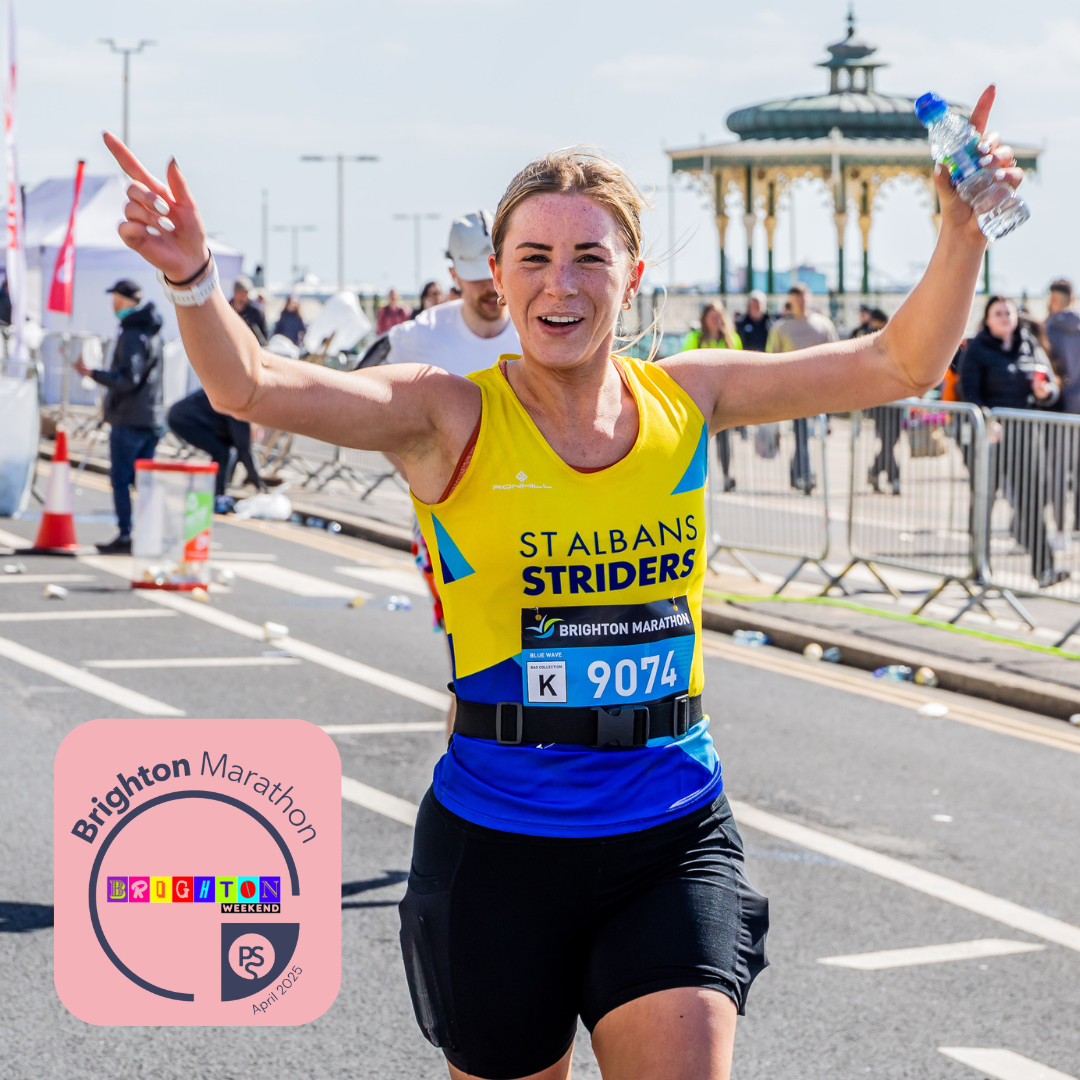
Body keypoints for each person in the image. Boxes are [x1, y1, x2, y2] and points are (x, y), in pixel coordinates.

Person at [104, 85, 1016, 1079]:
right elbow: (251, 387)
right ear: (497, 277)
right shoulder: (444, 415)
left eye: (590, 256)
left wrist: (962, 231)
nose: (561, 284)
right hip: (498, 846)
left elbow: (899, 361)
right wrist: (193, 279)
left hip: (672, 831)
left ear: (632, 273)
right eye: (534, 258)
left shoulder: (691, 394)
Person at [959, 294, 1064, 588]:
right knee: (984, 499)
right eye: (998, 313)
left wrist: (1046, 392)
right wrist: (988, 420)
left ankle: (1044, 569)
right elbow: (970, 392)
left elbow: (1051, 385)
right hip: (989, 436)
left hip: (1024, 435)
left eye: (1009, 312)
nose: (1005, 317)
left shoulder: (1029, 344)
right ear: (988, 319)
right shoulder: (977, 348)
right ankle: (979, 566)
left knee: (1032, 501)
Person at [73, 279, 164, 555]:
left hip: (130, 419)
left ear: (124, 300)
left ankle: (126, 534)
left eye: (115, 298)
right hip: (151, 418)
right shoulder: (153, 331)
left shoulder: (132, 333)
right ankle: (148, 534)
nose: (113, 304)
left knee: (122, 479)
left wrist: (93, 374)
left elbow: (128, 379)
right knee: (144, 481)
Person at [385, 211, 520, 374]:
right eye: (477, 278)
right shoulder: (421, 335)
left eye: (498, 274)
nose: (492, 287)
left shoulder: (538, 332)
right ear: (454, 274)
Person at [766, 282, 839, 494]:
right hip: (793, 391)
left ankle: (798, 472)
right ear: (790, 301)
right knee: (801, 435)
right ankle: (806, 475)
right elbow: (772, 359)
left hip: (819, 389)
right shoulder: (780, 328)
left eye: (803, 296)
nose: (800, 301)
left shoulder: (823, 325)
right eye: (796, 298)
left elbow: (834, 356)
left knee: (806, 435)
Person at [167, 389, 266, 511]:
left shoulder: (240, 399)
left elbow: (241, 449)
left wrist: (255, 480)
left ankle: (218, 493)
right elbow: (243, 450)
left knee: (223, 450)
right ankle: (217, 496)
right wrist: (260, 487)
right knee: (221, 452)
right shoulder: (239, 405)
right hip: (182, 418)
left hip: (186, 415)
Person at [683, 302, 742, 491]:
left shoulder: (732, 339)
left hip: (725, 399)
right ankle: (698, 479)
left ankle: (726, 474)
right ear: (705, 319)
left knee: (725, 441)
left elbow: (739, 366)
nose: (716, 321)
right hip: (700, 399)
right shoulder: (695, 338)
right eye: (712, 317)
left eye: (718, 316)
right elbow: (685, 363)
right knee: (699, 442)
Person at [230, 274, 268, 345]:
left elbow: (264, 339)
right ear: (235, 293)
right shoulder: (226, 310)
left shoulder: (256, 313)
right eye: (240, 293)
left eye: (245, 294)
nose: (243, 298)